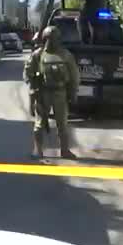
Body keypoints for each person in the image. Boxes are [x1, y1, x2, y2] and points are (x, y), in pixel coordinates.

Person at [23, 26, 79, 160]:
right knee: (40, 123)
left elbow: (74, 75)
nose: (52, 41)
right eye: (49, 38)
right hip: (43, 93)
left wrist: (73, 92)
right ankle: (38, 150)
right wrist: (33, 88)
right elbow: (28, 72)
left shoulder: (66, 55)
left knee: (62, 124)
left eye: (54, 38)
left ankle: (64, 150)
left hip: (60, 93)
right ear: (44, 39)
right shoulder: (38, 54)